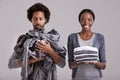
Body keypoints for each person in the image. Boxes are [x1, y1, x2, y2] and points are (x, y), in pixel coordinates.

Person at [8, 3, 66, 80]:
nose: (38, 22)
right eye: (35, 19)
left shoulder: (53, 39)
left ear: (45, 20)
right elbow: (11, 64)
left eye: (41, 19)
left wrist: (49, 50)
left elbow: (62, 64)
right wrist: (30, 60)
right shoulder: (25, 40)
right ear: (31, 20)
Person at [67, 9, 106, 80]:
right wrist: (80, 62)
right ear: (79, 21)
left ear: (93, 21)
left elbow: (103, 66)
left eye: (89, 19)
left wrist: (94, 62)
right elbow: (70, 65)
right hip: (77, 77)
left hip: (96, 77)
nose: (86, 22)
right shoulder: (72, 38)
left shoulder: (100, 38)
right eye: (83, 19)